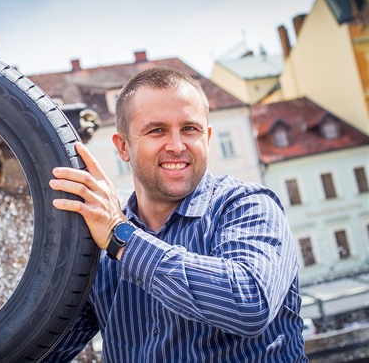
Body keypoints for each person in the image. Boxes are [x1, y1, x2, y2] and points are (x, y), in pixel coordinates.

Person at [46, 66, 307, 362]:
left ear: (207, 137)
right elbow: (48, 348)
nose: (177, 145)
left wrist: (123, 240)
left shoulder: (248, 206)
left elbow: (249, 304)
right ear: (122, 147)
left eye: (190, 129)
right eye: (157, 130)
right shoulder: (101, 246)